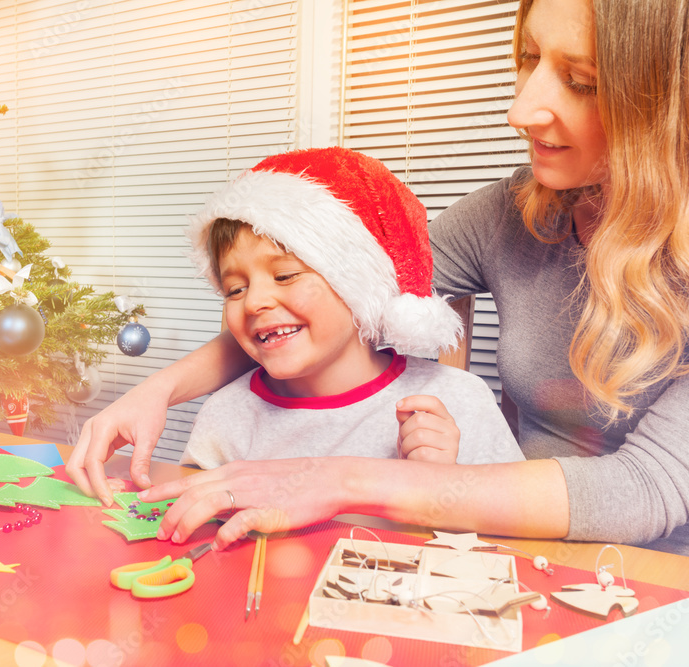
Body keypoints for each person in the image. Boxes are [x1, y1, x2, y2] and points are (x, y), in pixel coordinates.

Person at [66, 0, 689, 555]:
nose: (519, 109)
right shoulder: (516, 210)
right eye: (528, 59)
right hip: (526, 549)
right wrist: (158, 390)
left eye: (581, 81)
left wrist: (341, 478)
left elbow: (647, 487)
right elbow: (338, 292)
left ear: (669, 101)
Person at [180, 147, 523, 469]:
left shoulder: (458, 401)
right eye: (235, 289)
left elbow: (514, 526)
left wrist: (440, 486)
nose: (254, 302)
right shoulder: (225, 417)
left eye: (284, 276)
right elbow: (194, 526)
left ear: (358, 283)